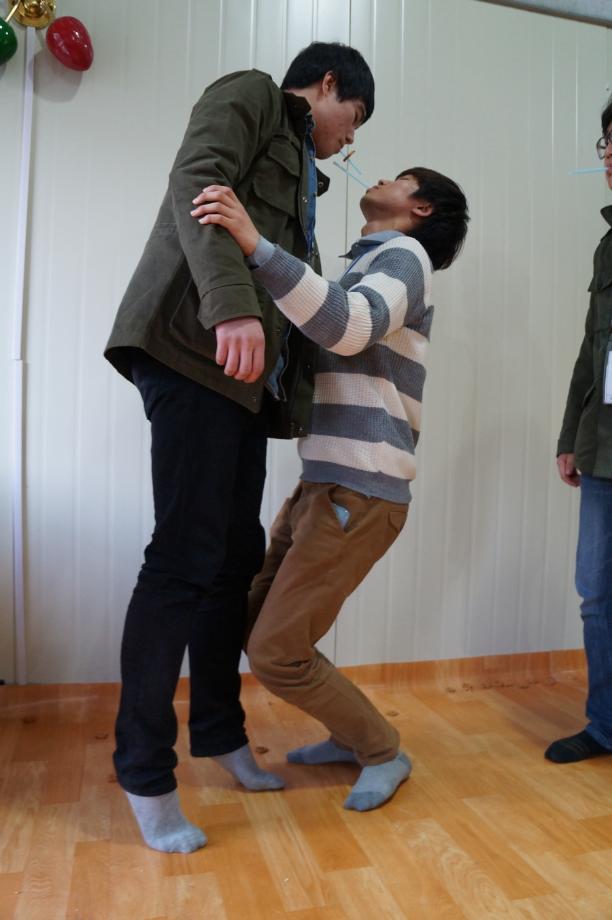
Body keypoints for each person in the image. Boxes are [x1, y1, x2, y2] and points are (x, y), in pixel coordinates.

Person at [104, 42, 374, 853]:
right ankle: (144, 772)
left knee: (232, 559)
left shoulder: (305, 179)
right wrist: (229, 305)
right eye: (353, 119)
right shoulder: (254, 93)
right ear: (327, 84)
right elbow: (198, 177)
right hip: (195, 351)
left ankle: (220, 732)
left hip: (242, 386)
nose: (348, 140)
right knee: (184, 558)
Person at [192, 165, 468, 810]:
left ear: (422, 208)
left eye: (399, 177)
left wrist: (256, 244)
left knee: (277, 652)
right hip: (325, 485)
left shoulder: (405, 257)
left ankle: (382, 750)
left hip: (360, 492)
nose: (378, 174)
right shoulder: (367, 262)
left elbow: (348, 326)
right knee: (259, 627)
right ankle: (351, 736)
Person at [545, 97, 612, 765]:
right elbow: (592, 353)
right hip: (604, 447)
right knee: (596, 594)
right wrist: (571, 435)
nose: (611, 155)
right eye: (608, 143)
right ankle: (605, 724)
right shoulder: (607, 247)